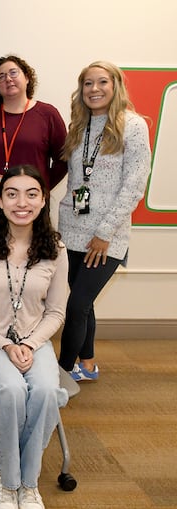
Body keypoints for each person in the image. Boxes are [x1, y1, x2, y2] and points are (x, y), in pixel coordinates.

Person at [0, 165, 69, 509]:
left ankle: (28, 482)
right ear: (1, 199)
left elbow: (55, 312)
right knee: (9, 389)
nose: (21, 202)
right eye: (12, 193)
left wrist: (31, 342)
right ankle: (7, 481)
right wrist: (6, 346)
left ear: (42, 200)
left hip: (34, 341)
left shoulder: (55, 248)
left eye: (31, 194)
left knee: (44, 390)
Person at [57, 61, 151, 382]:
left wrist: (104, 232)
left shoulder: (134, 126)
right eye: (87, 83)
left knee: (77, 304)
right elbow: (76, 180)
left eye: (102, 82)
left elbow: (135, 184)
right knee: (84, 303)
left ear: (116, 86)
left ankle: (62, 372)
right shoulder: (79, 126)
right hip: (72, 229)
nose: (94, 89)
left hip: (105, 236)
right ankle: (88, 364)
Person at [0, 54, 67, 220]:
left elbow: (64, 159)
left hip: (32, 207)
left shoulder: (47, 114)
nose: (8, 79)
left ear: (27, 78)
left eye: (13, 73)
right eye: (1, 76)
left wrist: (40, 187)